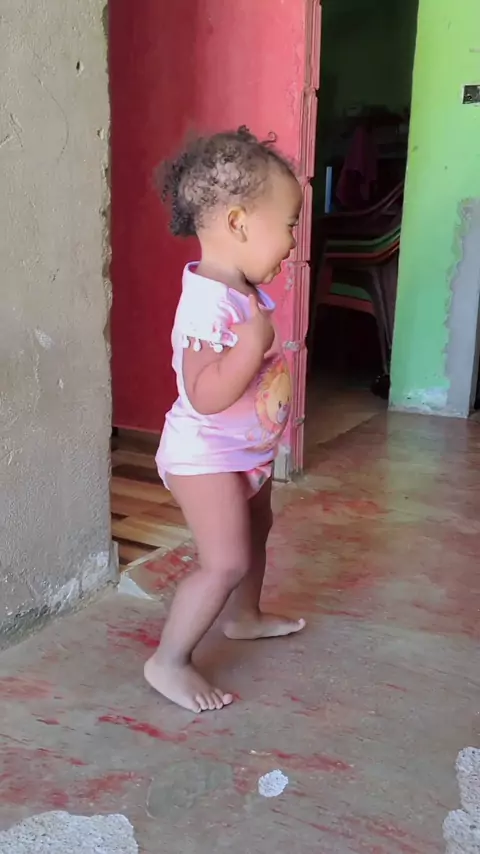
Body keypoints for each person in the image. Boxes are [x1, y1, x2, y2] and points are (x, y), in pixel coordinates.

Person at [144, 126, 305, 713]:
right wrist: (250, 348)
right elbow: (204, 393)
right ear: (238, 223)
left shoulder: (239, 289)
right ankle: (169, 661)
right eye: (289, 224)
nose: (293, 240)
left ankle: (245, 617)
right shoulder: (206, 304)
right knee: (226, 560)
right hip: (205, 455)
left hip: (244, 453)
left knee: (257, 531)